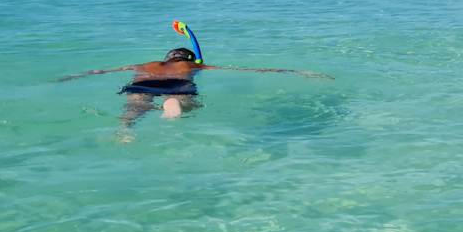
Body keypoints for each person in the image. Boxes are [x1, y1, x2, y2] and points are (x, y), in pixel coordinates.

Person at [58, 47, 329, 136]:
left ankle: (126, 129)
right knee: (177, 101)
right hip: (177, 85)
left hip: (142, 82)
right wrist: (296, 72)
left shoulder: (145, 64)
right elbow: (246, 70)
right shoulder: (192, 65)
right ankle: (171, 109)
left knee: (135, 106)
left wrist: (73, 76)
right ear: (188, 59)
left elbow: (100, 72)